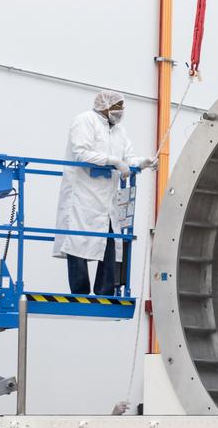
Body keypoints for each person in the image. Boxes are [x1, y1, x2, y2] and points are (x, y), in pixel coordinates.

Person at [54, 91, 153, 294]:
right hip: (82, 194)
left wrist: (142, 163)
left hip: (106, 197)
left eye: (122, 107)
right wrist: (113, 161)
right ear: (105, 106)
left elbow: (128, 158)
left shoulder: (119, 131)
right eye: (117, 107)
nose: (121, 112)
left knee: (109, 240)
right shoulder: (84, 121)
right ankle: (79, 291)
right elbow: (81, 153)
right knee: (77, 241)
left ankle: (104, 291)